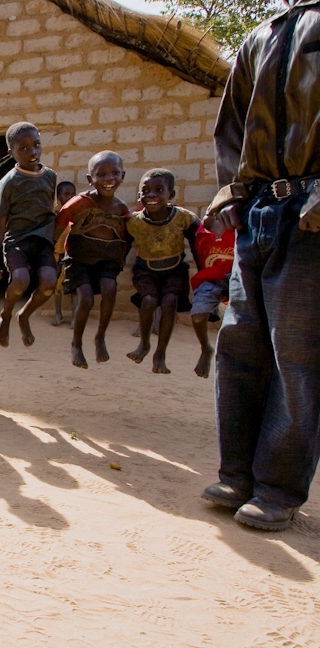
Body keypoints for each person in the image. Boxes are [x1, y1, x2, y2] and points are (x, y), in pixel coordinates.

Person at [200, 0, 320, 531]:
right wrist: (232, 191)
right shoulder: (261, 36)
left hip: (313, 206)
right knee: (240, 342)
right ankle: (238, 474)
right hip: (258, 210)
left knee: (296, 353)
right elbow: (232, 125)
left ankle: (278, 487)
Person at [56, 152, 131, 368]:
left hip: (106, 260)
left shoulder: (121, 209)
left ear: (123, 175)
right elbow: (59, 223)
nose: (109, 179)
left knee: (110, 288)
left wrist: (120, 260)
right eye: (101, 174)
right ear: (90, 179)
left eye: (115, 173)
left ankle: (100, 337)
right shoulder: (80, 203)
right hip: (79, 259)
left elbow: (126, 237)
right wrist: (48, 256)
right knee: (86, 298)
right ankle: (76, 343)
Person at [0, 122, 59, 347]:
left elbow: (51, 212)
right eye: (24, 148)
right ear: (11, 153)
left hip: (43, 239)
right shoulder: (9, 182)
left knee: (49, 283)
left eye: (36, 145)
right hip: (17, 239)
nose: (33, 152)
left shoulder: (50, 177)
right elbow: (0, 224)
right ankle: (6, 314)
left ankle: (24, 315)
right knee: (20, 280)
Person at [125, 168, 200, 374]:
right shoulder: (134, 222)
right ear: (139, 195)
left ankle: (160, 353)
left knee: (169, 302)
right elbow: (120, 247)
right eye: (145, 191)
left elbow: (199, 243)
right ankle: (144, 344)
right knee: (148, 301)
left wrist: (204, 273)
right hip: (146, 269)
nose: (151, 195)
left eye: (159, 190)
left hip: (175, 269)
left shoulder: (184, 218)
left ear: (171, 195)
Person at [189, 218, 234, 378]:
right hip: (211, 279)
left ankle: (231, 360)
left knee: (238, 321)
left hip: (237, 277)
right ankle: (206, 348)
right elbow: (200, 255)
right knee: (198, 316)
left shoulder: (240, 221)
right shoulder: (204, 228)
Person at [51, 181, 77, 327]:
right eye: (66, 194)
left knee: (73, 287)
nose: (70, 196)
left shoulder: (77, 215)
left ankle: (74, 317)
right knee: (56, 286)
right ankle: (58, 314)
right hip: (57, 255)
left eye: (73, 193)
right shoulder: (55, 216)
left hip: (73, 255)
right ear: (59, 197)